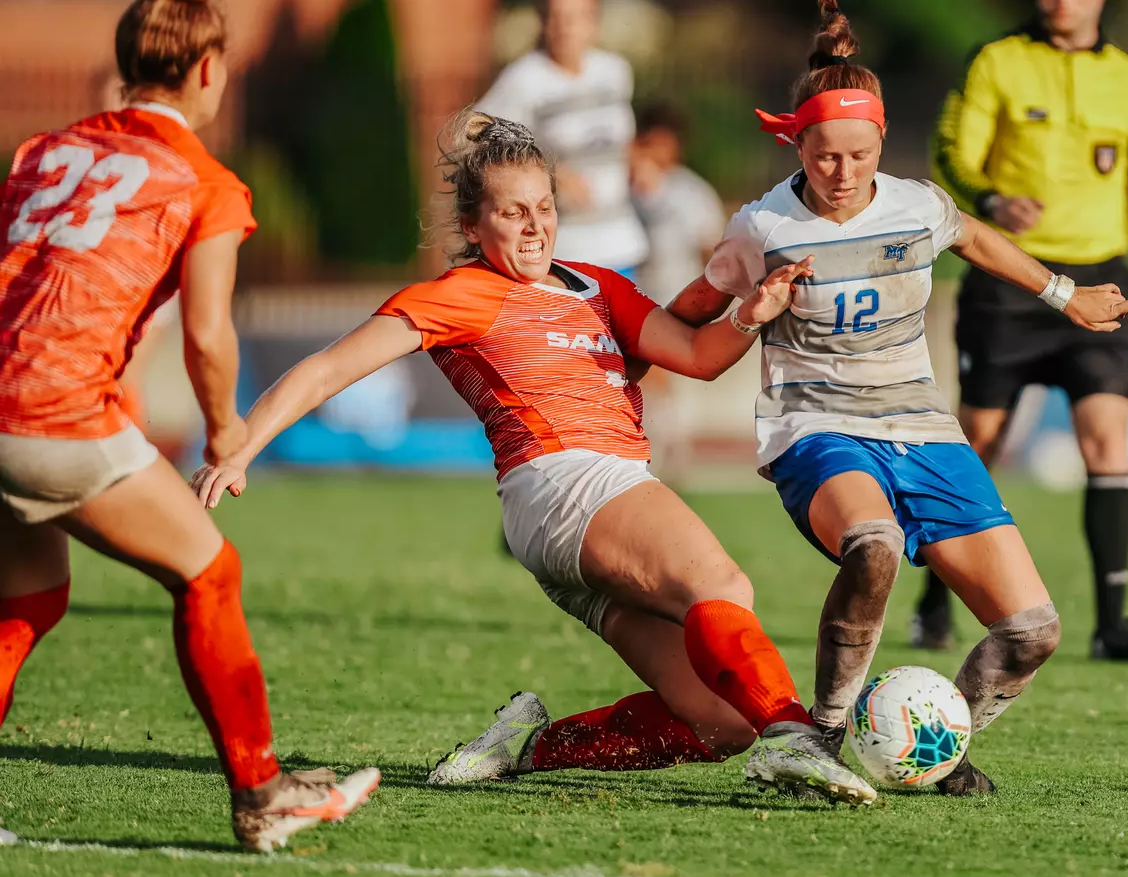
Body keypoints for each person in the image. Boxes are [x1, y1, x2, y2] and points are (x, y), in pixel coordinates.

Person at [189, 110, 879, 806]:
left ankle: (524, 746)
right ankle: (797, 739)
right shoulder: (461, 295)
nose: (533, 227)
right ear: (472, 226)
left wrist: (750, 312)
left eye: (543, 208)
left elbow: (697, 356)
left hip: (586, 510)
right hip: (563, 481)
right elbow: (326, 370)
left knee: (721, 721)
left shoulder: (597, 287)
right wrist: (239, 447)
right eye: (512, 213)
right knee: (722, 586)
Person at [660, 0, 1128, 796]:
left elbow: (974, 235)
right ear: (796, 143)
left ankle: (935, 747)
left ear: (881, 140)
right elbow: (688, 314)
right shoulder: (762, 229)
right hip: (816, 427)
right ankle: (819, 737)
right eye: (824, 156)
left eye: (859, 154)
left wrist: (1066, 295)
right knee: (874, 543)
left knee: (1032, 631)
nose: (842, 173)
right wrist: (696, 328)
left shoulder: (916, 207)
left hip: (922, 427)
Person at [0, 0, 379, 853]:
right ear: (209, 69)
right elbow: (208, 334)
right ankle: (261, 793)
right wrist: (226, 434)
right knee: (210, 574)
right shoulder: (205, 181)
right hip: (55, 413)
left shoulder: (42, 150)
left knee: (28, 597)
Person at [909, 0, 1128, 665]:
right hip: (1009, 282)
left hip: (1103, 282)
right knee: (981, 440)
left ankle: (1112, 624)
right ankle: (936, 594)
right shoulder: (997, 62)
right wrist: (991, 200)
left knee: (1108, 439)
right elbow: (950, 153)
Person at [475, 0, 648, 277]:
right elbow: (478, 129)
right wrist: (549, 172)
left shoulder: (615, 71)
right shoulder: (525, 78)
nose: (563, 27)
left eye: (574, 17)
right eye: (554, 16)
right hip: (565, 244)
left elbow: (617, 138)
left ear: (594, 24)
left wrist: (640, 162)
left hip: (618, 236)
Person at [630, 101, 727, 304]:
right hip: (632, 303)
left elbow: (714, 250)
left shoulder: (693, 191)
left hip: (678, 303)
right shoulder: (619, 190)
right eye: (649, 143)